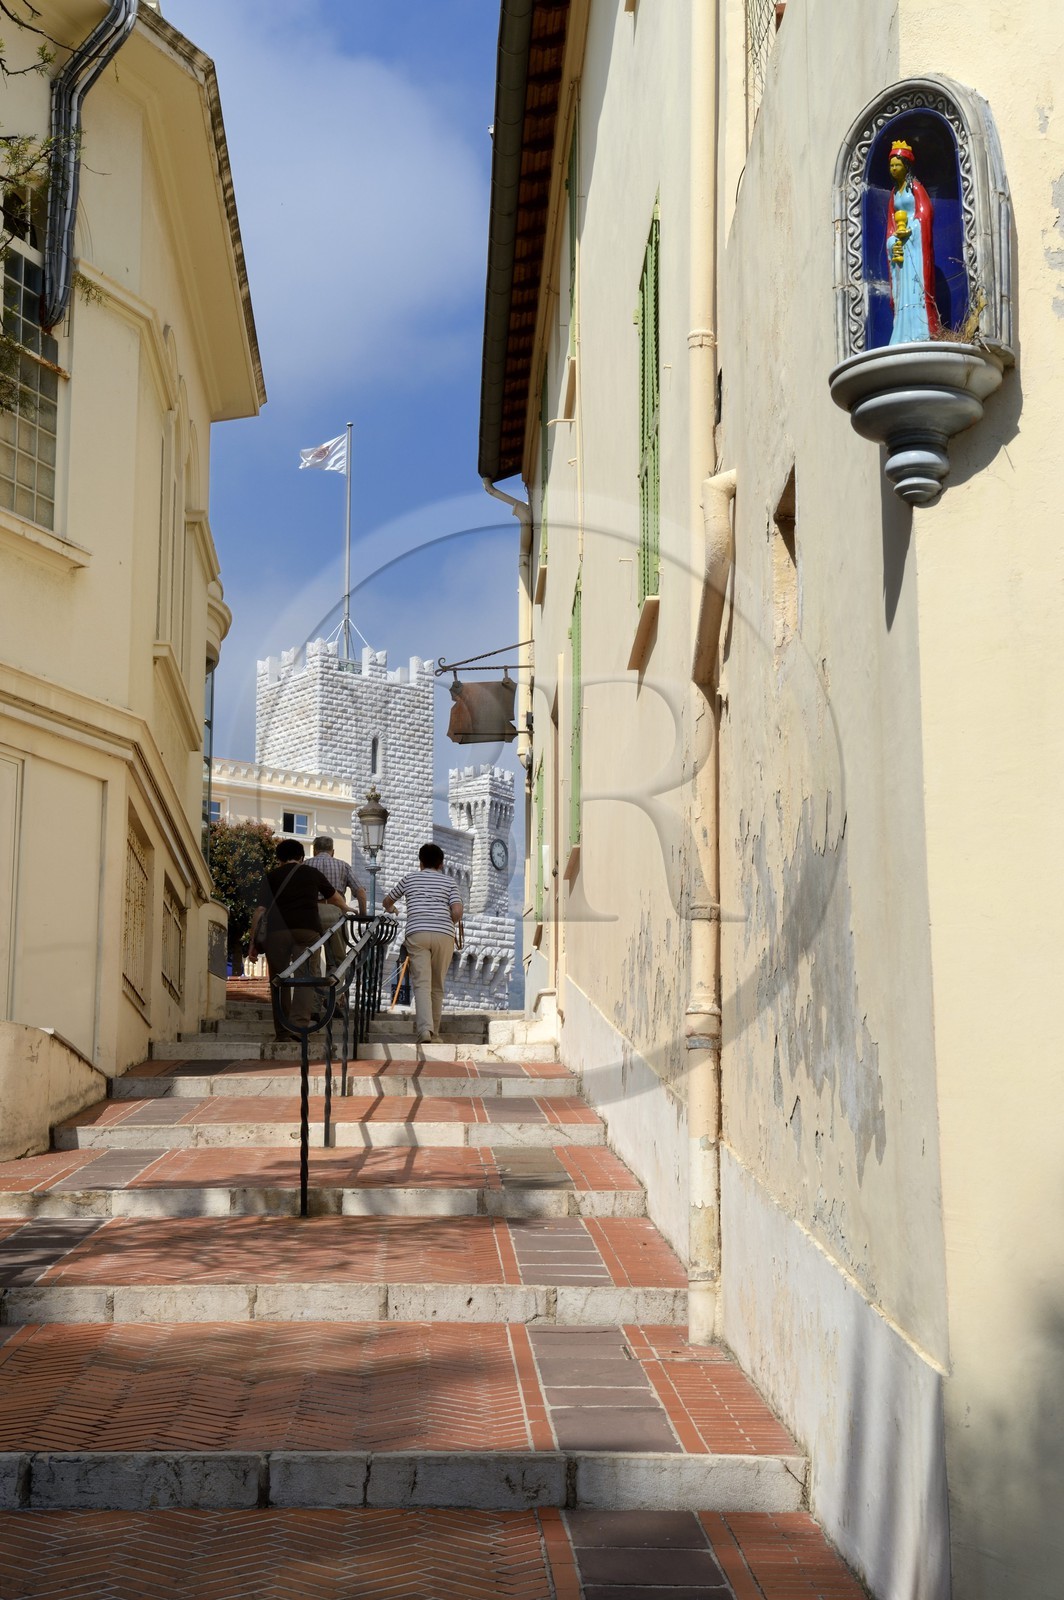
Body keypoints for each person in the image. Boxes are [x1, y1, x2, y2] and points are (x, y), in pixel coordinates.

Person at [248, 839, 347, 1040]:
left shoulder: (272, 876)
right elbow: (335, 898)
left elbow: (259, 911)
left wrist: (252, 944)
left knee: (278, 980)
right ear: (302, 857)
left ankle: (282, 1031)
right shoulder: (311, 873)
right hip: (307, 931)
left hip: (277, 933)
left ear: (278, 859)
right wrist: (347, 909)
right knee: (306, 978)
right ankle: (299, 1025)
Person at [383, 843, 463, 1044]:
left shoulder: (409, 879)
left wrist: (392, 909)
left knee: (421, 984)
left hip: (417, 933)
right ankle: (434, 1033)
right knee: (437, 985)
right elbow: (457, 911)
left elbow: (387, 900)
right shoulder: (449, 882)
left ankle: (424, 1031)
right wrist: (446, 922)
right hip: (444, 935)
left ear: (420, 862)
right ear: (441, 864)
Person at [885, 138, 939, 345]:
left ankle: (921, 329)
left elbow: (925, 213)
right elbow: (890, 223)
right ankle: (902, 332)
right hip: (901, 245)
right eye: (891, 165)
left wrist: (913, 229)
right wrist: (892, 241)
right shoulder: (893, 194)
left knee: (915, 286)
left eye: (897, 165)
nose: (893, 169)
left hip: (915, 244)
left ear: (906, 166)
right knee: (903, 290)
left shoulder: (914, 188)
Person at [311, 835, 367, 974]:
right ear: (333, 851)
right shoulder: (343, 865)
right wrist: (362, 915)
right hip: (335, 913)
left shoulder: (306, 865)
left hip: (311, 912)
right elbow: (360, 892)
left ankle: (315, 994)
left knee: (311, 958)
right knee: (338, 960)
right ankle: (333, 993)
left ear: (314, 851)